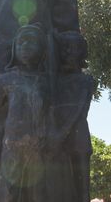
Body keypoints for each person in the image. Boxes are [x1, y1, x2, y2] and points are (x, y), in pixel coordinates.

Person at [0, 24, 76, 202]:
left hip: (39, 145)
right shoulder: (7, 78)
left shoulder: (46, 82)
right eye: (21, 42)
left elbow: (52, 114)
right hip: (12, 144)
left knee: (38, 194)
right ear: (14, 48)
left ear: (42, 50)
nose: (25, 46)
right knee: (8, 191)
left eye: (32, 41)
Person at [54, 31, 94, 202]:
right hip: (58, 136)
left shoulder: (86, 81)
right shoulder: (55, 81)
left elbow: (78, 110)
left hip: (77, 137)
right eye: (64, 49)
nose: (68, 53)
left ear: (81, 53)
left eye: (73, 49)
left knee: (82, 187)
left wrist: (60, 133)